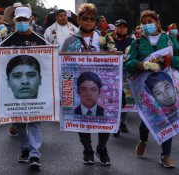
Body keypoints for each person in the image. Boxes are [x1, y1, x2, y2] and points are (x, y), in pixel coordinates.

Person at [125, 10, 179, 168]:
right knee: (148, 118)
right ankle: (143, 139)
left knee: (167, 118)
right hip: (147, 88)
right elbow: (128, 64)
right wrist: (141, 65)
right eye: (144, 22)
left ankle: (166, 155)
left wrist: (170, 60)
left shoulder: (168, 39)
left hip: (167, 86)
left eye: (150, 21)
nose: (148, 24)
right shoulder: (138, 42)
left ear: (157, 21)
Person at [61, 3, 113, 166]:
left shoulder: (104, 38)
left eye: (92, 19)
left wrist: (114, 54)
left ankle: (102, 148)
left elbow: (114, 59)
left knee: (107, 116)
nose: (89, 22)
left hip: (101, 85)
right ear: (79, 20)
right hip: (80, 86)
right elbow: (62, 63)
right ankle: (88, 149)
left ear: (96, 21)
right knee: (81, 116)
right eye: (85, 18)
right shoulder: (70, 41)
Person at [0, 6, 46, 168]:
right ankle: (24, 148)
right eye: (19, 20)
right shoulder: (8, 40)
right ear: (15, 21)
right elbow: (0, 61)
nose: (21, 23)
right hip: (16, 90)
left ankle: (35, 154)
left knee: (34, 121)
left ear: (30, 20)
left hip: (35, 89)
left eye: (24, 20)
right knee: (19, 121)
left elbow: (49, 61)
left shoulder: (40, 39)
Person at [113, 19, 134, 136]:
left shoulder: (132, 41)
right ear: (116, 29)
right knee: (115, 99)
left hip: (127, 74)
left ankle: (123, 122)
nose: (121, 29)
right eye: (119, 27)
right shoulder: (110, 41)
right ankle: (115, 124)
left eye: (123, 27)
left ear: (127, 29)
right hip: (114, 74)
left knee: (126, 99)